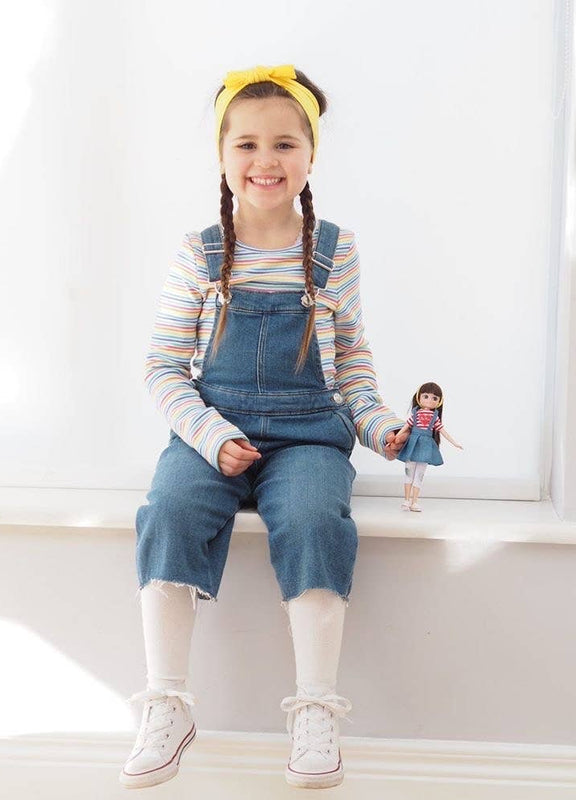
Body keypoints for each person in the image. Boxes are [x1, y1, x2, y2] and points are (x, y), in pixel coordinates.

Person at [119, 63, 408, 791]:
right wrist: (212, 436)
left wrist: (381, 430)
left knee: (314, 516)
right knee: (171, 508)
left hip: (309, 431)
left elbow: (352, 369)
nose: (265, 160)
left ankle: (314, 706)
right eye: (246, 145)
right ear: (222, 158)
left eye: (284, 143)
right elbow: (161, 368)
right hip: (212, 428)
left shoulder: (333, 251)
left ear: (311, 155)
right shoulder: (201, 253)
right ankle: (167, 701)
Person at [396, 381, 463, 512]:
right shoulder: (415, 414)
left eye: (434, 398)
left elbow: (443, 432)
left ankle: (414, 501)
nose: (429, 400)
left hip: (426, 447)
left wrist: (454, 442)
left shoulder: (434, 418)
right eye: (425, 396)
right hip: (413, 444)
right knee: (409, 472)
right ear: (419, 397)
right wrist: (396, 437)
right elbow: (406, 426)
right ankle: (406, 500)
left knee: (419, 475)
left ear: (439, 401)